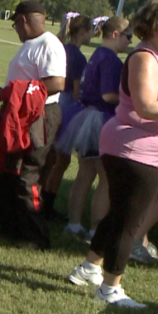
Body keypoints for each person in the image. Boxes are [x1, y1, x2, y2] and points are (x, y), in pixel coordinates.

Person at [67, 0, 158, 308]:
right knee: (130, 221)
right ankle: (111, 286)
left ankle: (89, 267)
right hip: (135, 149)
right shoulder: (144, 58)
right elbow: (146, 106)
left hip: (154, 150)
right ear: (153, 26)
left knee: (120, 213)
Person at [0, 0, 66, 249]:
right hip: (23, 113)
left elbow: (57, 82)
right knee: (12, 170)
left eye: (15, 24)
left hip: (40, 116)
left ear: (23, 19)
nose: (16, 29)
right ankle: (14, 226)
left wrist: (18, 94)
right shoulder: (30, 45)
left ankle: (35, 235)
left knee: (29, 174)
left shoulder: (49, 44)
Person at [58, 17, 130, 238]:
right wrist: (131, 98)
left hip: (86, 116)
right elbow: (108, 95)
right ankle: (95, 230)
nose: (130, 42)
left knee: (85, 174)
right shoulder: (111, 60)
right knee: (106, 179)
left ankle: (74, 223)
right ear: (116, 34)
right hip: (101, 119)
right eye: (129, 37)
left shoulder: (97, 54)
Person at [41, 14, 94, 218]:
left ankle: (43, 199)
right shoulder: (78, 57)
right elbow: (75, 91)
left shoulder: (62, 48)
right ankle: (47, 204)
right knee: (61, 161)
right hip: (68, 106)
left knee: (52, 157)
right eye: (90, 31)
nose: (92, 35)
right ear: (82, 32)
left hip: (54, 103)